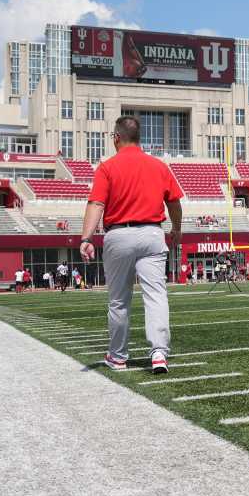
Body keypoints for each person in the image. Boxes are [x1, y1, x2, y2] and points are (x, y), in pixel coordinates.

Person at [80, 115, 182, 373]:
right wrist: (177, 229)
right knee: (156, 295)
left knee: (118, 300)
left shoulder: (107, 167)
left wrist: (86, 238)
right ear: (139, 138)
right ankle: (159, 353)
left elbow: (96, 203)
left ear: (116, 138)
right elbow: (174, 202)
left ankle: (117, 357)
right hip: (152, 232)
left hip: (119, 234)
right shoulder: (159, 166)